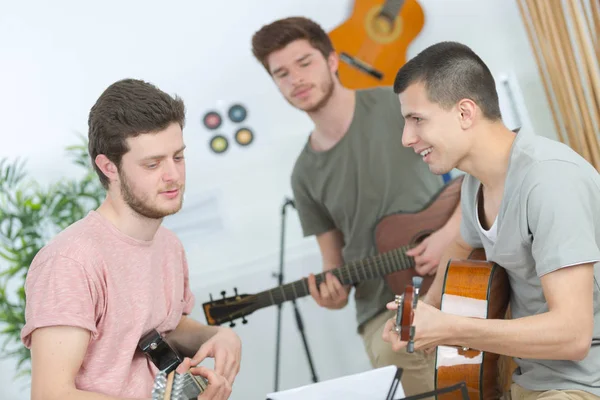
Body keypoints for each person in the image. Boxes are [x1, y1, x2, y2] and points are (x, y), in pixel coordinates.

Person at [250, 17, 462, 396]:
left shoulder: (397, 105)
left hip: (459, 273)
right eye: (281, 73)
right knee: (403, 353)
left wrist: (449, 234)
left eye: (304, 63)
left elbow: (482, 169)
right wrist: (331, 295)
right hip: (386, 309)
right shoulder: (303, 175)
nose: (295, 79)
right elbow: (333, 266)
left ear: (332, 60)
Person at [382, 41, 600, 399]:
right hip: (529, 381)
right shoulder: (476, 185)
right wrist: (425, 309)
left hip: (584, 386)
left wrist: (451, 328)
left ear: (465, 113)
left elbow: (573, 335)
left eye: (417, 119)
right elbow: (458, 245)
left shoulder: (551, 181)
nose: (406, 138)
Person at [20, 78, 241, 400]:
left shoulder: (168, 245)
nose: (173, 176)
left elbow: (162, 328)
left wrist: (220, 335)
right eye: (152, 164)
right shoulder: (69, 262)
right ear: (109, 167)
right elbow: (51, 394)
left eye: (177, 157)